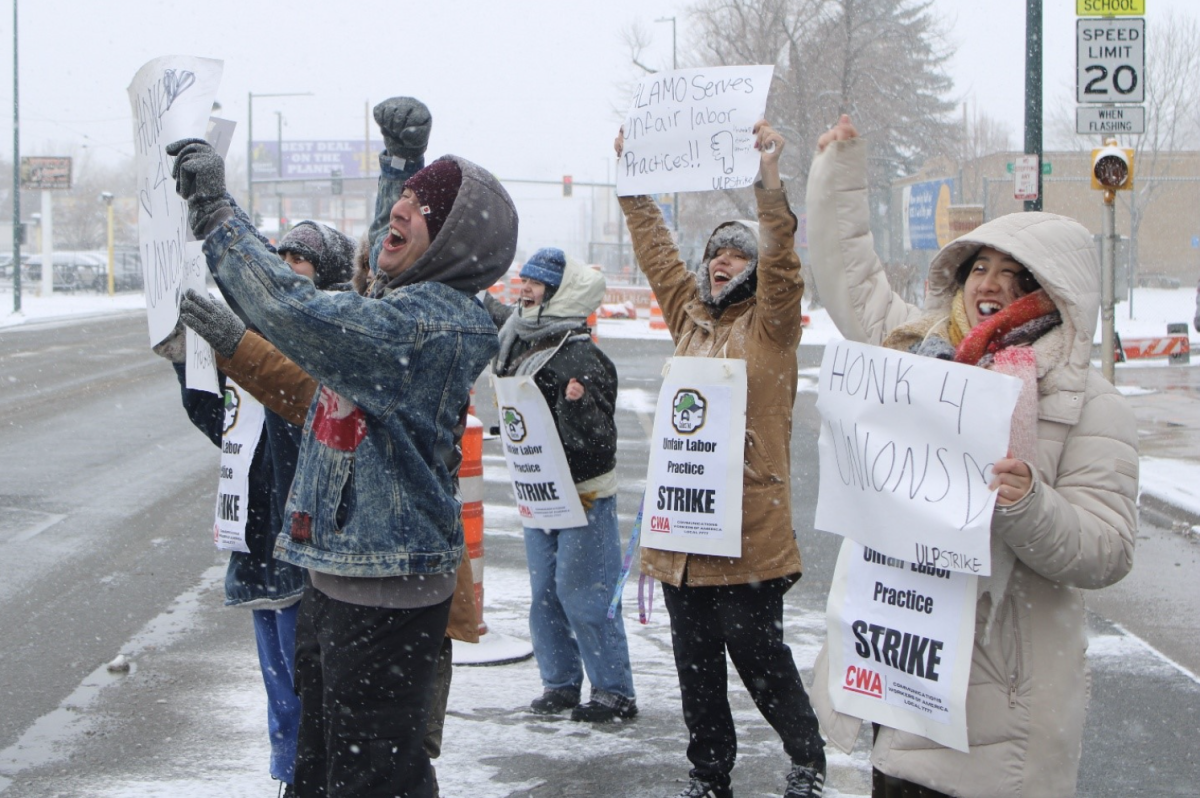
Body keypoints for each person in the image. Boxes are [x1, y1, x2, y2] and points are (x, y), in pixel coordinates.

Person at [166, 120, 518, 798]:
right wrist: (400, 164)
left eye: (425, 206)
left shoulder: (426, 326)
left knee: (373, 778)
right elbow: (382, 266)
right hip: (339, 578)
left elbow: (296, 311)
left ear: (452, 242)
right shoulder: (409, 307)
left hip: (383, 594)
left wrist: (216, 215)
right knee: (322, 768)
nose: (401, 210)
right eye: (405, 198)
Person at [804, 115, 1140, 798]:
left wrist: (1028, 504)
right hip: (903, 687)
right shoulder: (922, 358)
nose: (990, 281)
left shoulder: (1088, 403)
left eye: (1015, 274)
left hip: (999, 725)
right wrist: (838, 171)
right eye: (979, 266)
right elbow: (852, 283)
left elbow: (1107, 548)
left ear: (1053, 293)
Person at [615, 121, 826, 798]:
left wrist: (767, 184)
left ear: (755, 267)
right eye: (714, 254)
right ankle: (710, 773)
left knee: (759, 655)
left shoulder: (771, 327)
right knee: (695, 665)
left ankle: (806, 760)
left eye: (735, 254)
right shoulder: (690, 320)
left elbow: (785, 264)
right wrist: (633, 184)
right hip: (682, 536)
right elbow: (657, 254)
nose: (718, 262)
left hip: (749, 536)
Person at [486, 248, 637, 723]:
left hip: (583, 494)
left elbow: (599, 442)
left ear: (557, 292)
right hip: (537, 490)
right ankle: (560, 683)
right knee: (545, 595)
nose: (524, 288)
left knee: (584, 594)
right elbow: (489, 310)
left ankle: (614, 690)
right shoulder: (518, 333)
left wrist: (576, 406)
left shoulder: (580, 353)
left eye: (535, 283)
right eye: (524, 280)